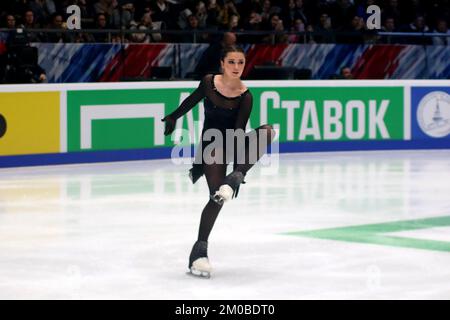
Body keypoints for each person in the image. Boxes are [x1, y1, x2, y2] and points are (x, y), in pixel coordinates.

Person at [161, 46, 275, 278]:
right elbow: (191, 101)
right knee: (217, 198)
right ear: (222, 63)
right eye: (231, 62)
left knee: (267, 131)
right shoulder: (208, 83)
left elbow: (239, 131)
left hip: (234, 141)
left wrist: (236, 169)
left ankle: (236, 176)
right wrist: (173, 116)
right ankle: (199, 252)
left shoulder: (246, 95)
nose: (236, 67)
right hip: (211, 147)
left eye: (240, 63)